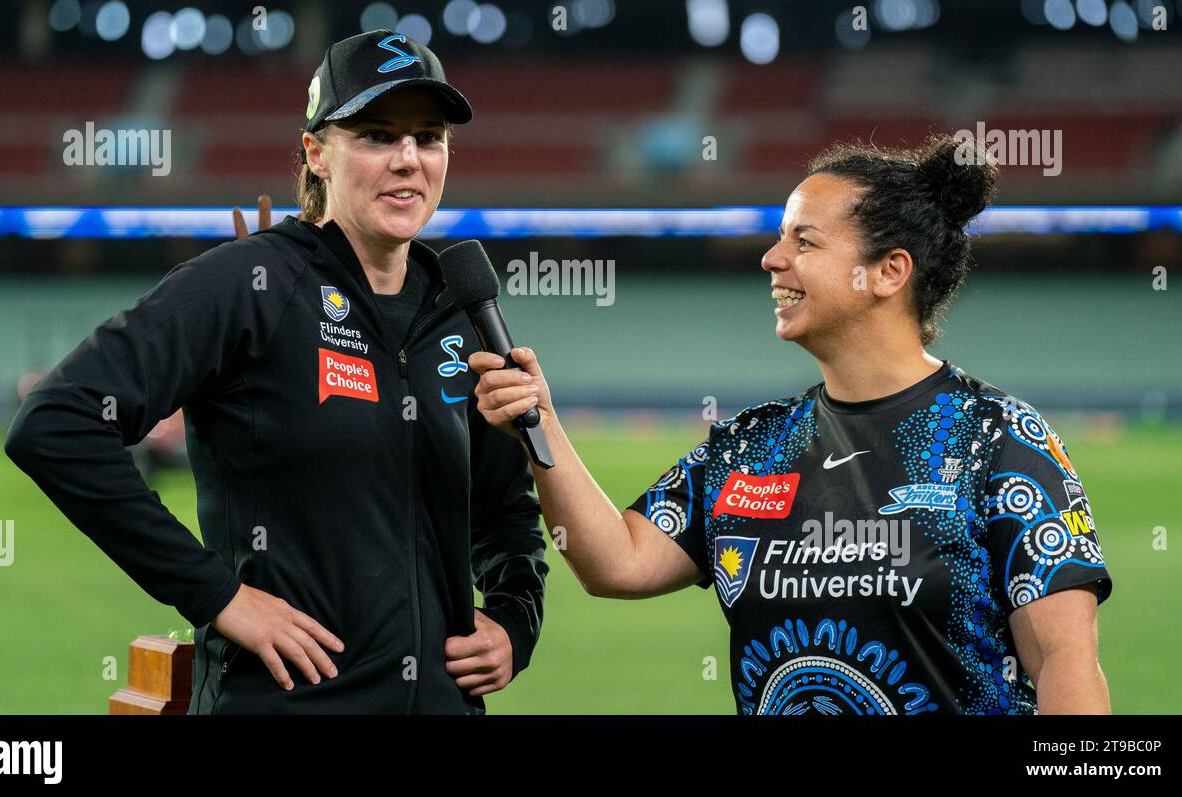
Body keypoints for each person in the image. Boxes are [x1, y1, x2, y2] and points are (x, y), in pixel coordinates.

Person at [470, 134, 1112, 715]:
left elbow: (1064, 662)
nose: (771, 260)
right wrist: (541, 424)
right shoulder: (748, 447)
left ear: (889, 271)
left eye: (804, 241)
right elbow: (617, 562)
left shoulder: (997, 439)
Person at [6, 30, 548, 714]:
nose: (408, 159)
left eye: (428, 136)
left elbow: (505, 511)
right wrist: (218, 595)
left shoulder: (462, 311)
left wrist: (515, 620)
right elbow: (57, 423)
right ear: (316, 153)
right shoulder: (250, 284)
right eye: (377, 135)